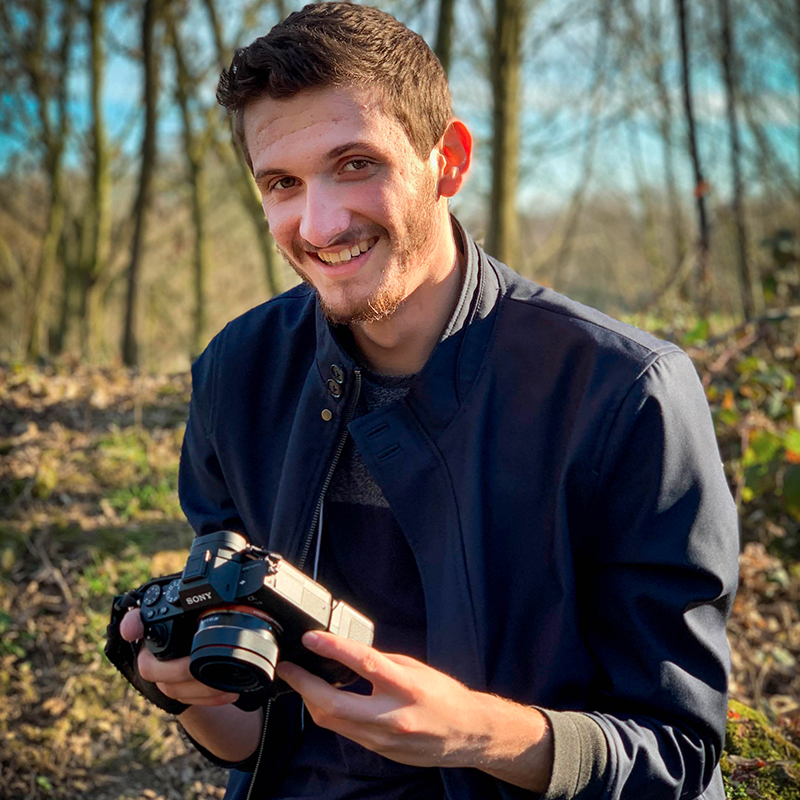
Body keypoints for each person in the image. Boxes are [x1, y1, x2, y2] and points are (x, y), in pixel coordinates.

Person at [119, 3, 740, 798]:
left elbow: (679, 755)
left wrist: (477, 734)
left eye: (355, 163)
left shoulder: (624, 393)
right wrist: (177, 686)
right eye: (282, 183)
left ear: (447, 160)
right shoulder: (237, 375)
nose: (320, 223)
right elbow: (252, 737)